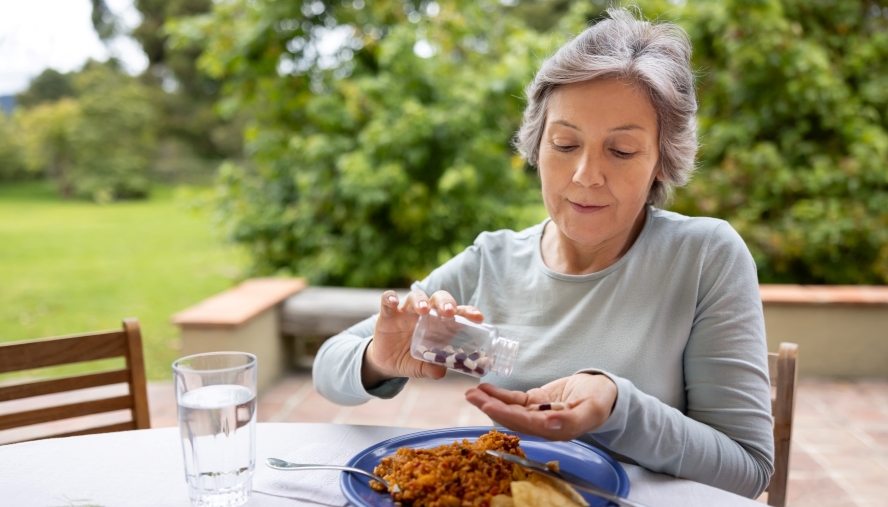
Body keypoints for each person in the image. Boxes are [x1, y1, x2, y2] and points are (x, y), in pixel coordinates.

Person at [313, 6, 774, 498]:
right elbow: (328, 366)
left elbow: (748, 470)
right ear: (537, 146)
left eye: (621, 151)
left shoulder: (704, 257)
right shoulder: (491, 262)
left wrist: (618, 407)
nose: (586, 175)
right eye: (564, 144)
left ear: (662, 160)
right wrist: (376, 359)